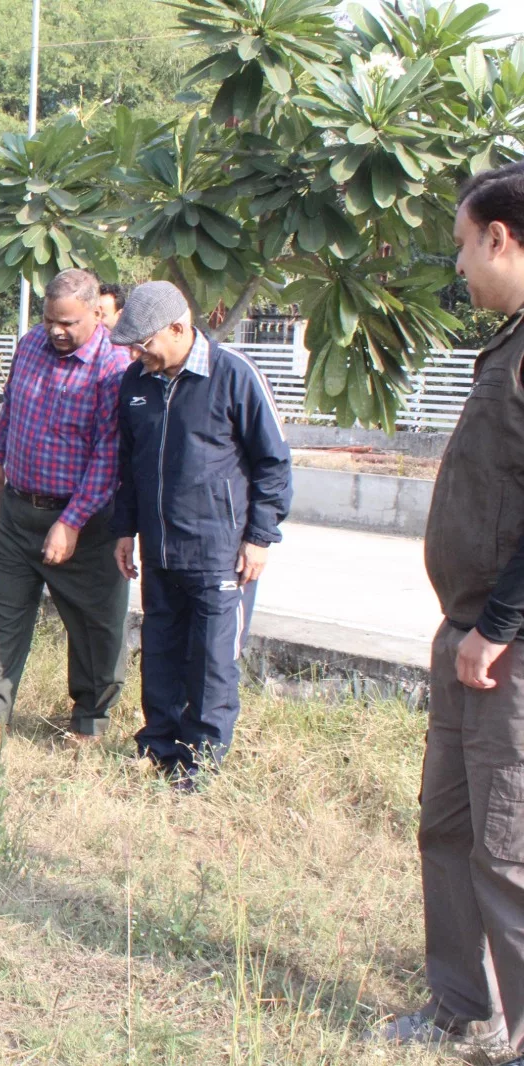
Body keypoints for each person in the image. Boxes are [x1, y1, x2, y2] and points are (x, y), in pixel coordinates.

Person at [374, 161, 524, 1060]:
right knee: (449, 826)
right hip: (467, 634)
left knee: (507, 848)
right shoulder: (510, 343)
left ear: (502, 239)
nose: (460, 264)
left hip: (503, 647)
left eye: (465, 245)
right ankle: (460, 1004)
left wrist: (498, 627)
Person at [109, 281, 291, 784]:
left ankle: (201, 762)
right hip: (159, 550)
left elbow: (273, 463)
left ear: (178, 327)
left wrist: (260, 537)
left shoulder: (234, 376)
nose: (136, 353)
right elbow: (128, 464)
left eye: (143, 342)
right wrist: (125, 529)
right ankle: (158, 746)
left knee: (213, 663)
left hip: (220, 552)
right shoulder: (136, 384)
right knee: (161, 650)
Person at [0, 269, 132, 752]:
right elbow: (12, 409)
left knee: (96, 626)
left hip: (87, 522)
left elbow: (109, 454)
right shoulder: (30, 346)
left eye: (69, 323)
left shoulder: (114, 365)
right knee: (0, 614)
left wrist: (72, 521)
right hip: (18, 512)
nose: (57, 331)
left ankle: (89, 721)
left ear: (96, 313)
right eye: (49, 321)